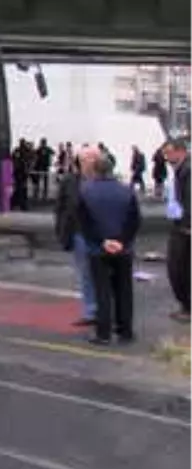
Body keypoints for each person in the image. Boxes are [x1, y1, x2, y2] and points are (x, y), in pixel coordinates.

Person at [77, 153, 140, 345]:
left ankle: (103, 333)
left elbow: (84, 222)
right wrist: (121, 240)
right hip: (124, 248)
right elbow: (134, 220)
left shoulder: (86, 191)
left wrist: (102, 241)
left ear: (95, 170)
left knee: (102, 290)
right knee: (124, 290)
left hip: (98, 249)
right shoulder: (127, 191)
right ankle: (125, 330)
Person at [54, 145, 100, 327]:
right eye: (88, 159)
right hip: (79, 234)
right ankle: (90, 311)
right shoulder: (70, 181)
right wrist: (61, 231)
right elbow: (60, 207)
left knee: (104, 275)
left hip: (101, 236)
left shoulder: (104, 180)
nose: (92, 162)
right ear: (80, 162)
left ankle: (105, 310)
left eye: (95, 159)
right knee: (86, 274)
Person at [161, 138, 192, 322]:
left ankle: (188, 307)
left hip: (185, 227)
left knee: (180, 268)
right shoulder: (181, 169)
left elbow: (190, 199)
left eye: (169, 153)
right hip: (181, 224)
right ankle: (187, 306)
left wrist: (188, 225)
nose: (166, 157)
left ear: (180, 151)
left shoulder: (188, 170)